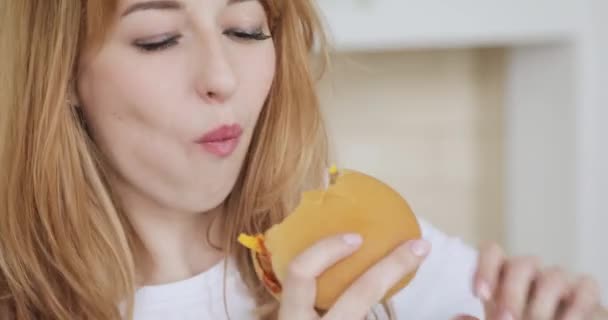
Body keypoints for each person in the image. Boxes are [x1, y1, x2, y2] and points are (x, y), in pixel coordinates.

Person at [0, 1, 605, 319]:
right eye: (159, 38)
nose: (221, 78)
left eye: (243, 29)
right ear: (61, 74)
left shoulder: (342, 243)